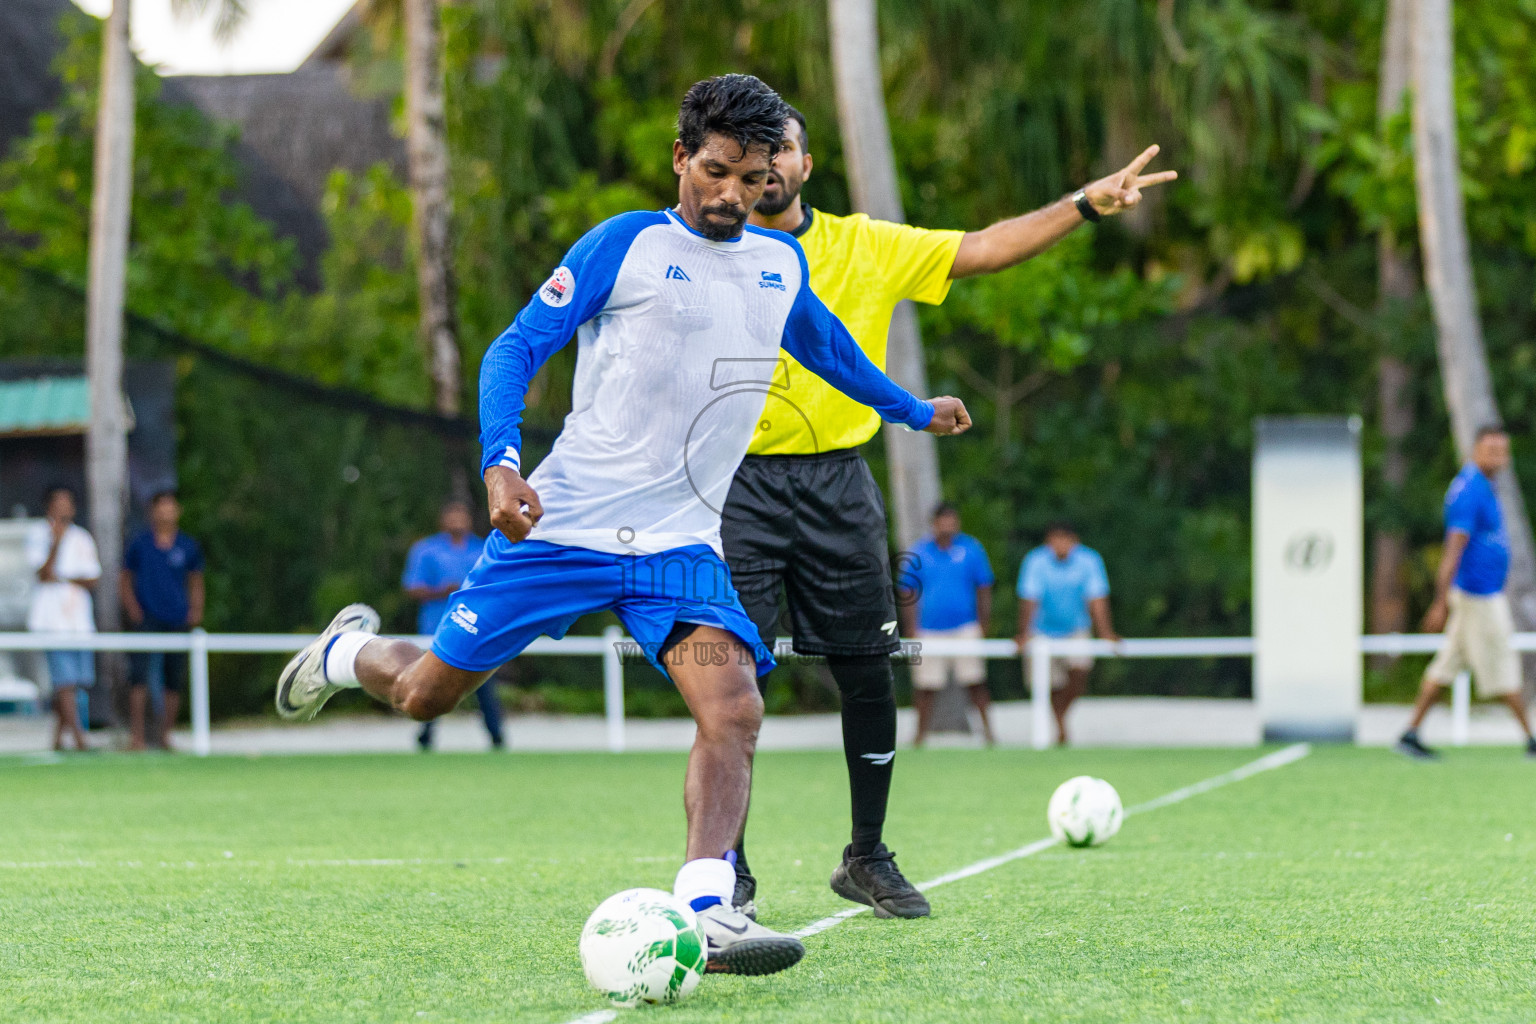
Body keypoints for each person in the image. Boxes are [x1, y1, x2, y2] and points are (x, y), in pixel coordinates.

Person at [272, 74, 970, 976]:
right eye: (715, 171)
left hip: (679, 544)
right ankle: (343, 654)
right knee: (426, 694)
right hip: (564, 529)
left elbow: (825, 346)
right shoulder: (626, 245)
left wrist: (911, 409)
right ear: (682, 159)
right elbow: (514, 347)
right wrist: (500, 463)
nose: (731, 195)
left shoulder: (777, 263)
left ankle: (708, 908)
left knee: (735, 708)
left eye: (752, 179)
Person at [728, 106, 1173, 919]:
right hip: (733, 488)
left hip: (838, 486)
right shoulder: (702, 251)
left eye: (781, 148)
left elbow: (984, 248)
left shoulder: (866, 244)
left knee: (867, 674)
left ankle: (866, 856)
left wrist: (1083, 203)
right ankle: (727, 871)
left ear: (806, 162)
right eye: (753, 152)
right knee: (729, 685)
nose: (768, 164)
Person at [1397, 427, 1536, 759]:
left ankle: (1410, 733)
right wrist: (1439, 600)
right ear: (1475, 450)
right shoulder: (1470, 490)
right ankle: (1531, 738)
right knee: (1503, 664)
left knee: (1446, 666)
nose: (1498, 456)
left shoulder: (1487, 487)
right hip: (1478, 596)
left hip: (1481, 593)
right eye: (1490, 449)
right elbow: (1453, 550)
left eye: (1502, 450)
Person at [404, 500, 505, 751]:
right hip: (436, 628)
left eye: (462, 515)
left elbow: (496, 587)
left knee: (483, 682)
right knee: (430, 682)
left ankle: (496, 736)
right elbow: (412, 587)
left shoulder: (483, 549)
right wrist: (441, 591)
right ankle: (425, 734)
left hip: (475, 628)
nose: (457, 520)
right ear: (443, 519)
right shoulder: (426, 550)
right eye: (452, 514)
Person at [899, 503, 996, 747]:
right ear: (934, 523)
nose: (948, 526)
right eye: (943, 521)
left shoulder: (971, 549)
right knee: (925, 686)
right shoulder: (919, 552)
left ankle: (989, 734)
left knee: (975, 681)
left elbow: (984, 586)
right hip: (929, 629)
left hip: (965, 626)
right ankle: (919, 737)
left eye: (952, 521)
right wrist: (911, 627)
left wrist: (984, 622)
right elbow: (907, 592)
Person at [1015, 523, 1120, 746]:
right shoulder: (1036, 561)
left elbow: (1097, 599)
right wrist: (1023, 634)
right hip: (1042, 629)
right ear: (1048, 541)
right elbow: (1030, 600)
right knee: (1045, 683)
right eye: (1055, 539)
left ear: (1074, 541)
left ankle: (1060, 719)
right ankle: (1060, 725)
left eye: (1064, 539)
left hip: (1075, 627)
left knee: (1080, 670)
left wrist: (1106, 633)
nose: (1060, 545)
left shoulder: (1089, 560)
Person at [120, 490, 206, 751]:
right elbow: (124, 577)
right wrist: (133, 608)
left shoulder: (188, 546)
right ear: (153, 511)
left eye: (171, 506)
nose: (166, 512)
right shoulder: (140, 544)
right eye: (161, 507)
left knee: (173, 679)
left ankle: (165, 736)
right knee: (139, 677)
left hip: (177, 618)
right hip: (147, 617)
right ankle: (137, 738)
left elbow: (196, 580)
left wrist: (195, 609)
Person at [26, 486, 100, 752]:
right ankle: (79, 739)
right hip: (51, 621)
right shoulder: (38, 535)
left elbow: (92, 577)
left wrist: (64, 577)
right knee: (64, 681)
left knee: (74, 682)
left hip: (79, 621)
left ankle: (58, 739)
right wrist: (55, 541)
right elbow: (43, 574)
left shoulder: (82, 538)